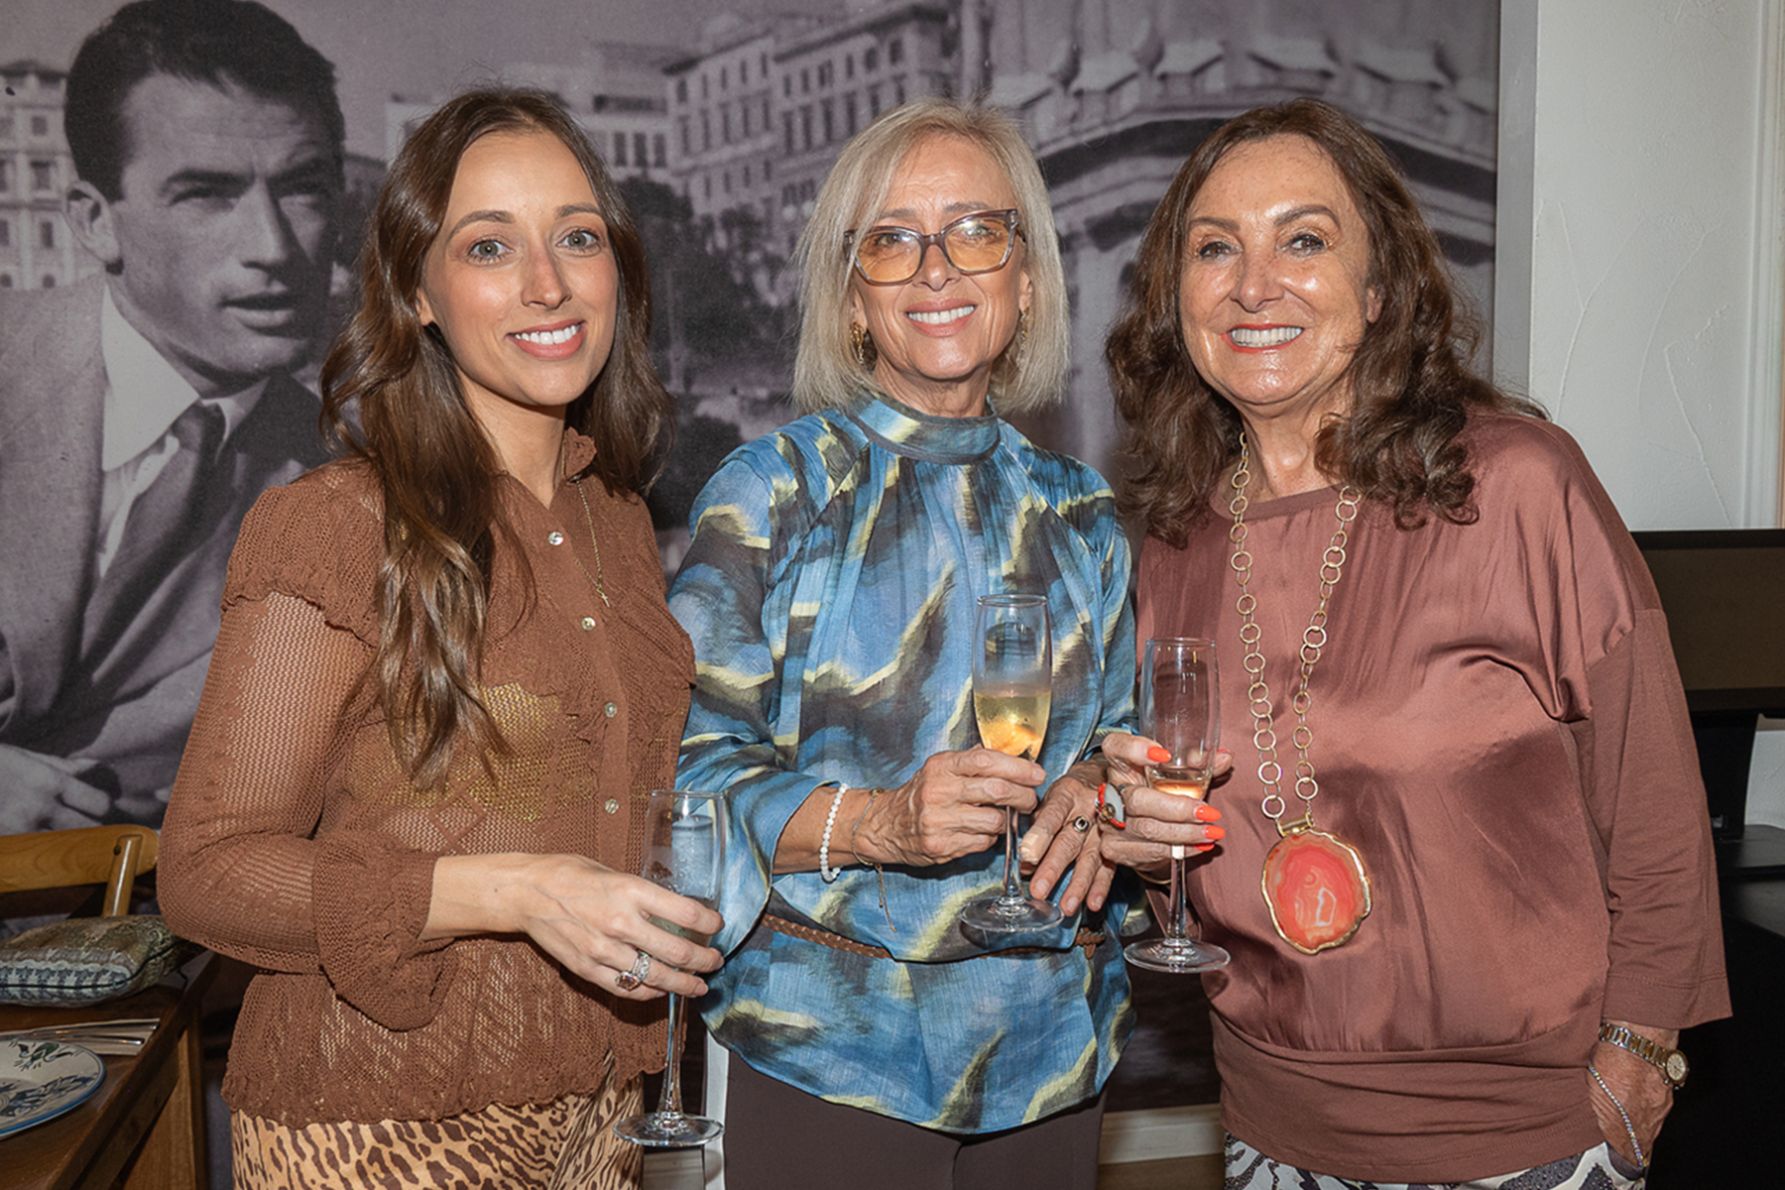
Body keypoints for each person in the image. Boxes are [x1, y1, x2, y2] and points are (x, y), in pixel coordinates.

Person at [1099, 98, 1730, 1188]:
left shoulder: (1518, 485)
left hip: (1523, 1133)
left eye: (1304, 239)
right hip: (1271, 1126)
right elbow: (1209, 859)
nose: (1254, 284)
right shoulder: (1176, 540)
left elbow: (1656, 801)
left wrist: (1640, 1049)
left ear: (1380, 289)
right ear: (1175, 298)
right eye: (1214, 248)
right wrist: (1143, 837)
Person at [158, 89, 720, 1189]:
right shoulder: (338, 523)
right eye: (488, 246)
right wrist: (512, 889)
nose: (547, 282)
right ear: (418, 293)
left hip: (604, 1110)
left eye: (577, 237)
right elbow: (207, 873)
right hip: (377, 1121)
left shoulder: (615, 519)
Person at [669, 98, 1166, 1190]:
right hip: (832, 1054)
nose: (937, 268)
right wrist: (883, 823)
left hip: (1056, 1046)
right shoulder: (771, 493)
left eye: (976, 231)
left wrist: (1098, 792)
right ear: (853, 300)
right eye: (892, 240)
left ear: (1026, 281)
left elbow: (1117, 747)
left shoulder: (1082, 511)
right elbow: (688, 781)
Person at [0, 0, 342, 833]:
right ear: (95, 223)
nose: (272, 247)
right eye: (206, 195)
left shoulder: (357, 478)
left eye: (301, 189)